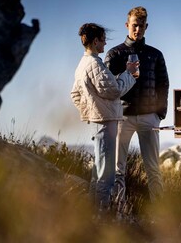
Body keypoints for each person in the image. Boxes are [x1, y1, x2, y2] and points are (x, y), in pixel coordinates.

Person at [71, 23, 139, 217]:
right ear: (95, 41)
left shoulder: (83, 64)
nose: (106, 43)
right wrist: (130, 74)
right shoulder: (94, 63)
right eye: (103, 39)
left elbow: (75, 94)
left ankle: (93, 217)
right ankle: (102, 220)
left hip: (97, 121)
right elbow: (115, 90)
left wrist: (90, 111)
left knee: (98, 173)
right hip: (105, 122)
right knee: (106, 176)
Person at [105, 6, 169, 206]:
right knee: (118, 168)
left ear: (146, 27)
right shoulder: (115, 54)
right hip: (122, 117)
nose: (137, 29)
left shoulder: (155, 54)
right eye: (134, 25)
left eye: (141, 26)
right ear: (127, 25)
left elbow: (163, 84)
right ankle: (118, 212)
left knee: (153, 169)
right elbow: (107, 85)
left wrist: (160, 113)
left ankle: (160, 215)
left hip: (150, 117)